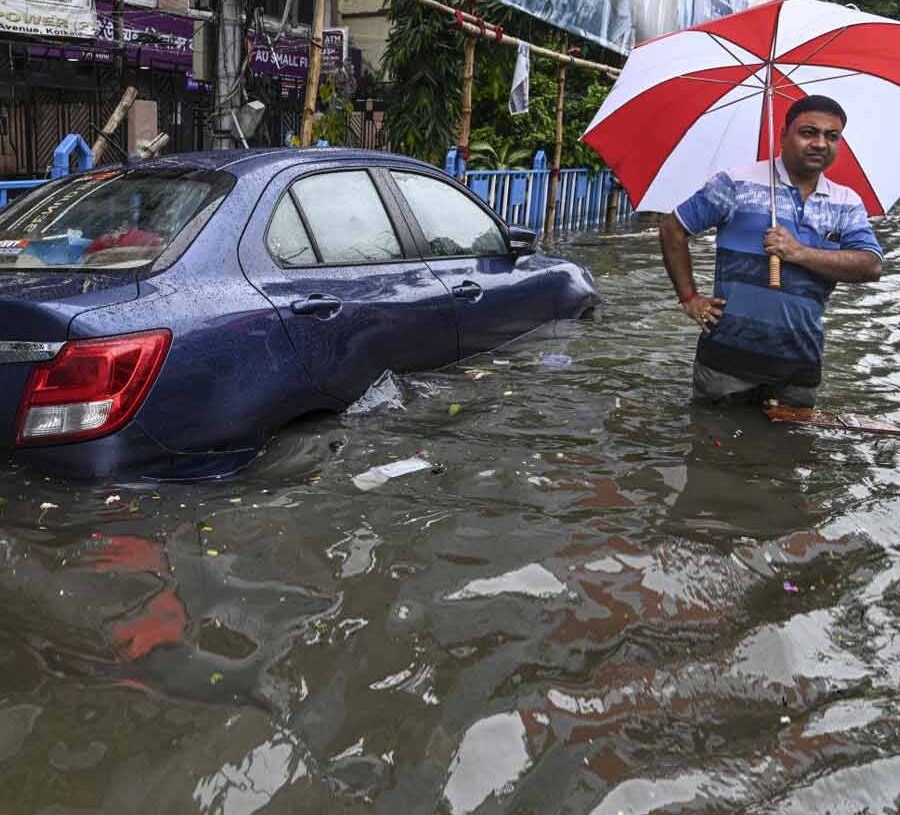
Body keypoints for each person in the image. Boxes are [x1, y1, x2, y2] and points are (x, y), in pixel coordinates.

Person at [658, 95, 883, 408]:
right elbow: (673, 228)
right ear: (783, 136)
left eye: (831, 136)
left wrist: (798, 252)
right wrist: (689, 298)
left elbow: (871, 265)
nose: (820, 143)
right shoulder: (736, 183)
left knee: (788, 453)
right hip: (727, 362)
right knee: (714, 450)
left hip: (800, 363)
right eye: (809, 132)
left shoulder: (845, 202)